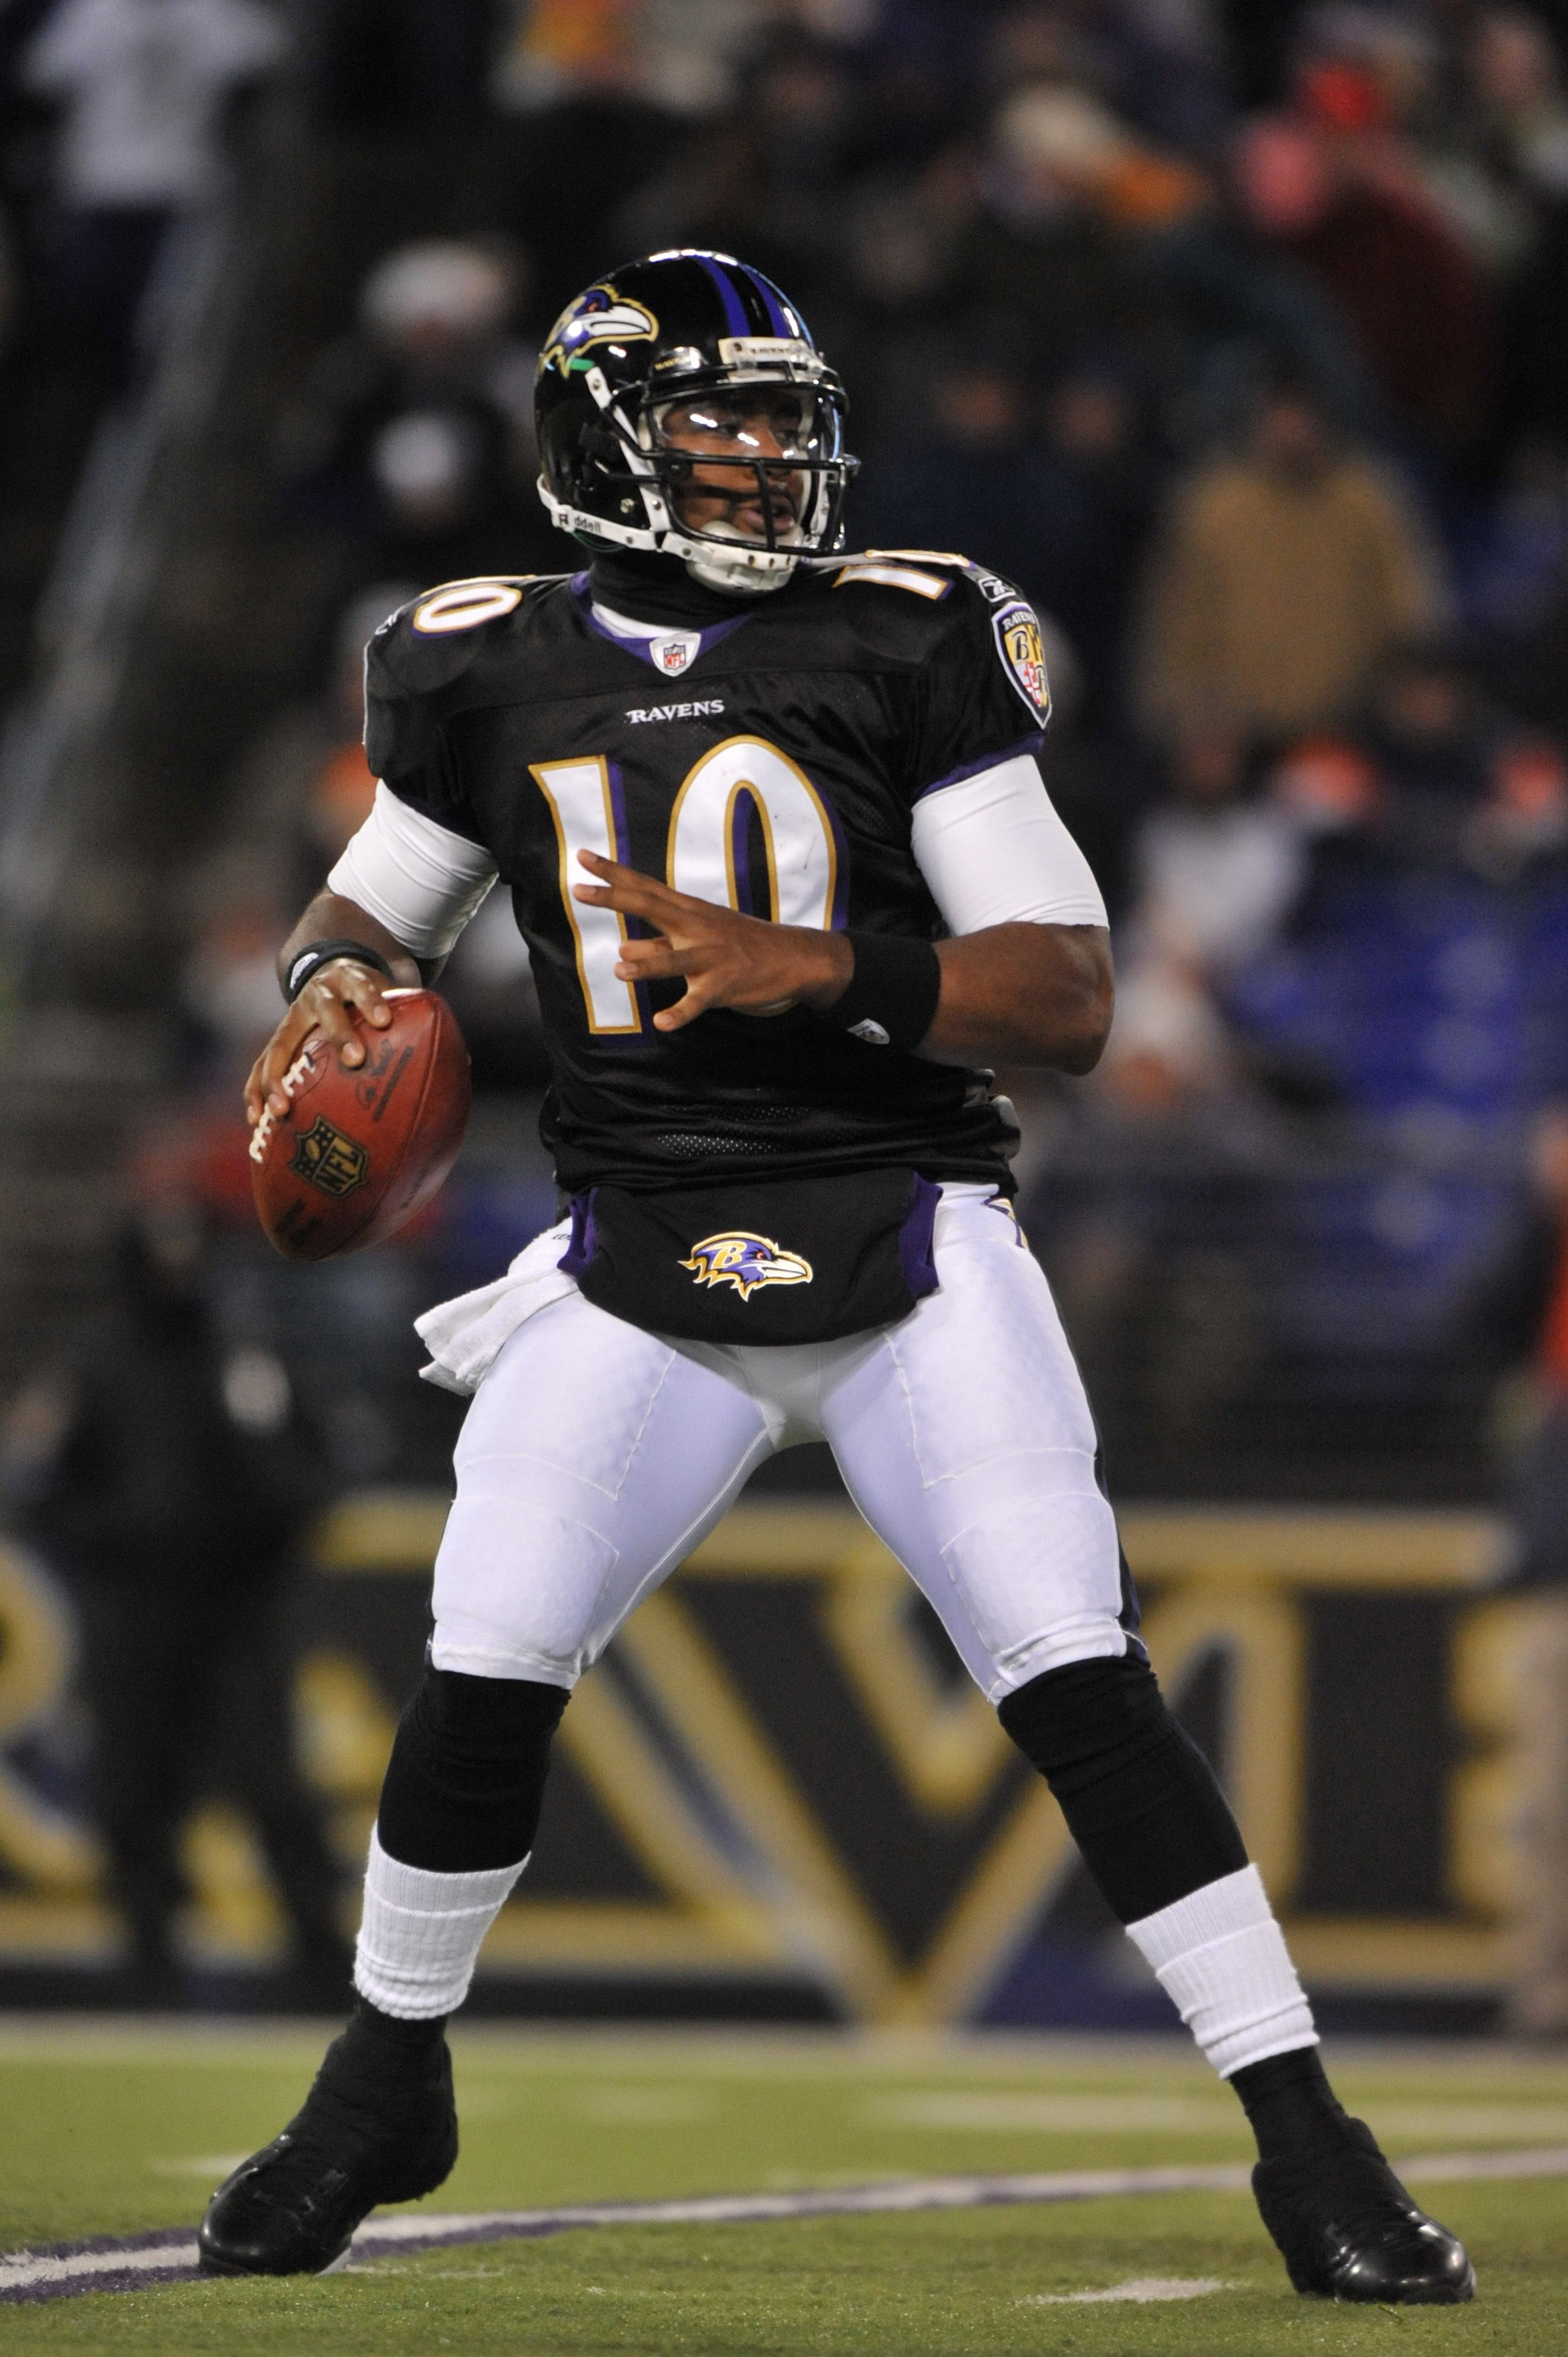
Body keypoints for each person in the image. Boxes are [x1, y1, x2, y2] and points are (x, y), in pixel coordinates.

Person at [198, 250, 1473, 2303]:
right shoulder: (471, 660)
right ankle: (379, 2077)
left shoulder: (907, 636)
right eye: (723, 418)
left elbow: (1060, 995)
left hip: (904, 1225)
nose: (771, 455)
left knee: (1075, 1666)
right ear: (603, 435)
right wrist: (335, 970)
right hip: (629, 1263)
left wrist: (829, 968)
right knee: (485, 1651)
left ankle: (1307, 2137)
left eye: (787, 418)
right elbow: (378, 902)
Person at [1134, 367, 1448, 745]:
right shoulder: (1214, 508)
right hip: (1236, 734)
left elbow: (1409, 606)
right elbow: (1178, 618)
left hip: (1351, 728)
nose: (1292, 430)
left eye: (1301, 416)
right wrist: (1179, 707)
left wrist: (1412, 685)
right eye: (1280, 417)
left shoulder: (1367, 502)